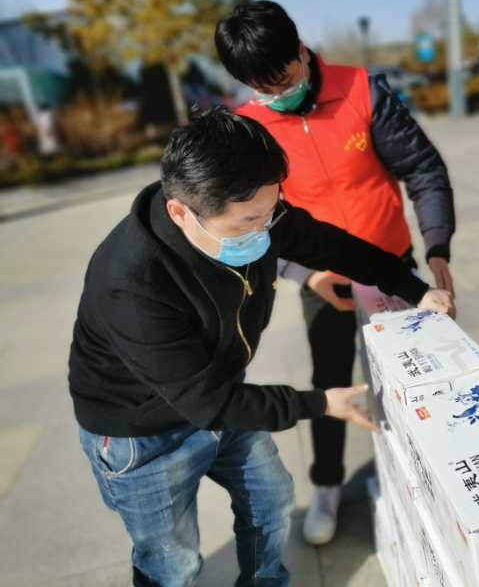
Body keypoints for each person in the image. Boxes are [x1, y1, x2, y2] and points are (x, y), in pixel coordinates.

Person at [68, 106, 453, 586]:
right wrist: (320, 403)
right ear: (180, 212)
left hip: (219, 391)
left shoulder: (252, 209)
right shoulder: (131, 284)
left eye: (272, 213)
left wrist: (413, 288)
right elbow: (209, 403)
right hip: (141, 432)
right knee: (173, 560)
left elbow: (330, 245)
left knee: (272, 502)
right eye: (249, 222)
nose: (265, 230)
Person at [215, 0, 456, 545]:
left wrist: (438, 247)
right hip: (322, 277)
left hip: (391, 268)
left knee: (414, 374)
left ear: (301, 51)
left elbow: (422, 167)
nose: (275, 95)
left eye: (282, 79)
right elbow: (249, 221)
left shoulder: (362, 90)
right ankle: (327, 484)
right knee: (331, 383)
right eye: (260, 88)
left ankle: (431, 474)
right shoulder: (248, 127)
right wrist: (304, 275)